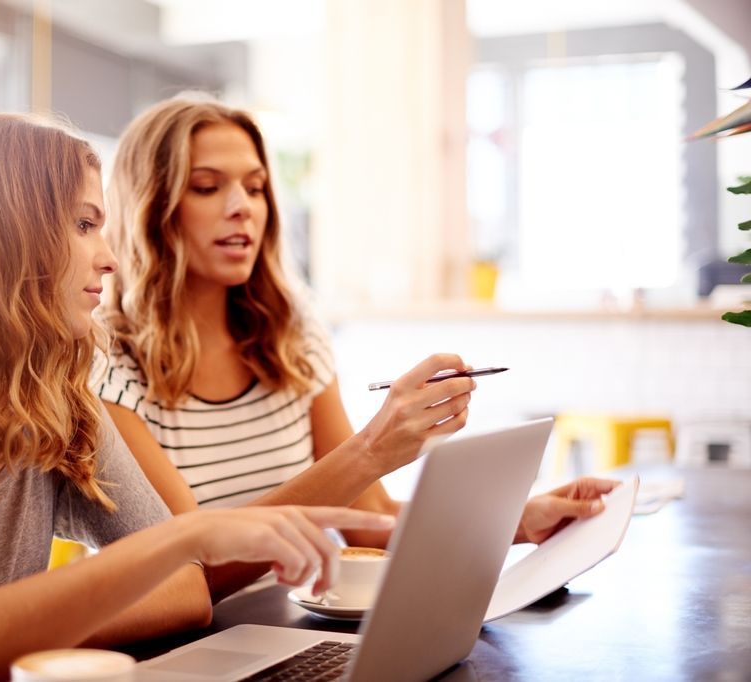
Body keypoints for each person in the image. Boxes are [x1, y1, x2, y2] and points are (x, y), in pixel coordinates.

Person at [0, 113, 396, 681]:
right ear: (0, 235)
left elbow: (184, 593)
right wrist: (177, 541)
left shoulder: (53, 393)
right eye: (85, 224)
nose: (110, 258)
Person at [99, 96, 617, 601]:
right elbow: (190, 571)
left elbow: (369, 521)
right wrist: (370, 450)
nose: (242, 208)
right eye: (207, 187)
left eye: (256, 188)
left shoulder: (291, 337)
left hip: (290, 624)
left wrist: (516, 519)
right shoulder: (108, 364)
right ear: (151, 206)